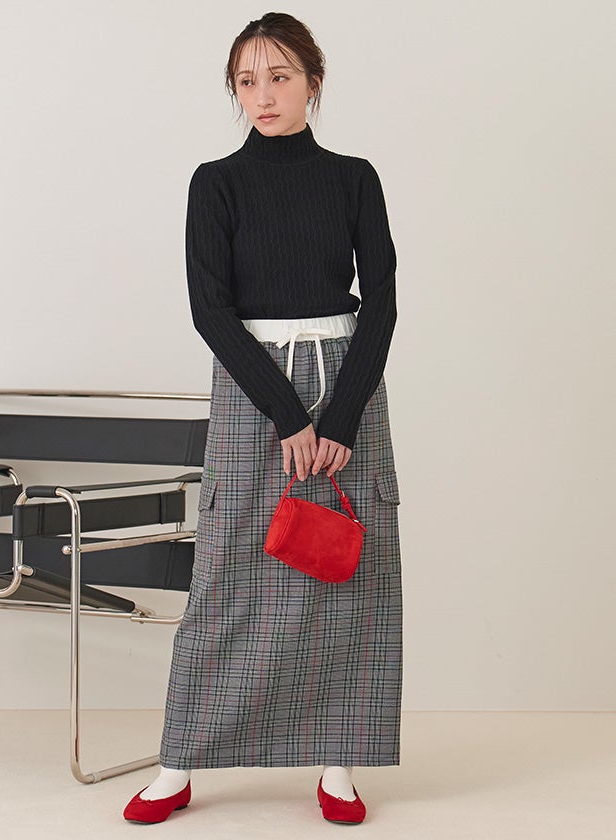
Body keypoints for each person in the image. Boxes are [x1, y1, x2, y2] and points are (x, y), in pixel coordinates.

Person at [123, 11, 402, 826]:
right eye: (247, 81)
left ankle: (339, 764)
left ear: (313, 81)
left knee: (347, 570)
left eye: (279, 77)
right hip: (253, 387)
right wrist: (288, 415)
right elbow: (210, 310)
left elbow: (382, 303)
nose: (263, 95)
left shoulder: (354, 178)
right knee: (228, 572)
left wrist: (339, 419)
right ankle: (178, 762)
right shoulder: (216, 182)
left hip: (349, 381)